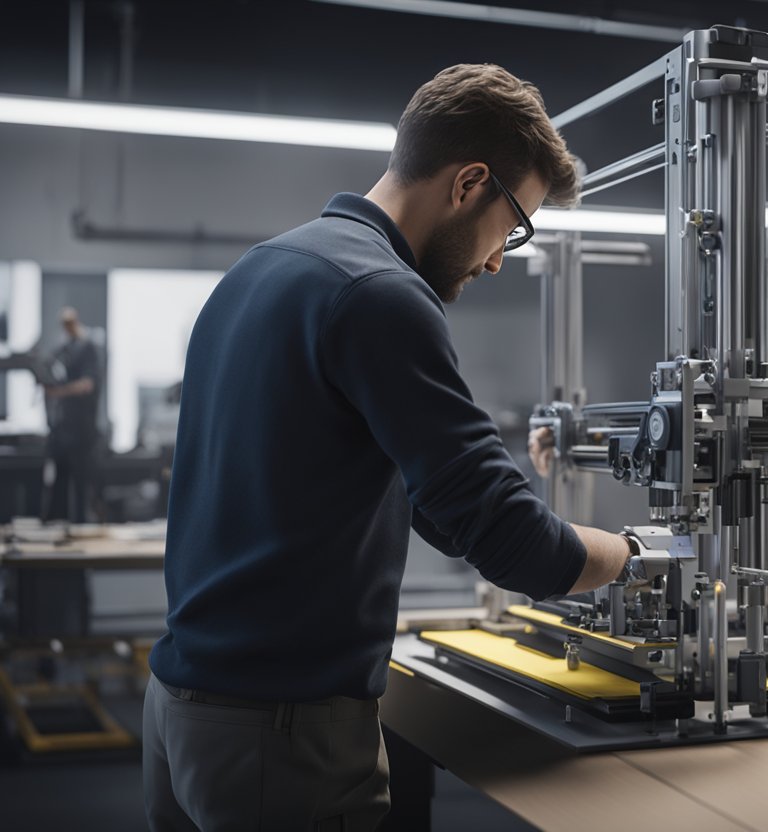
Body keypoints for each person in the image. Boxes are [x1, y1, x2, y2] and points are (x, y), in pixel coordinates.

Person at [143, 64, 632, 831]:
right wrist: (637, 552)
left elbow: (419, 493)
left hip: (181, 711)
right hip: (283, 736)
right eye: (514, 227)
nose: (500, 259)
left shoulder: (264, 268)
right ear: (470, 182)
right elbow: (515, 545)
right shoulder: (379, 294)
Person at [42, 306, 102, 523]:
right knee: (59, 480)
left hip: (82, 431)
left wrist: (59, 392)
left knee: (81, 486)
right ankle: (57, 522)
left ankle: (82, 525)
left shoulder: (88, 348)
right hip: (63, 430)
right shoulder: (64, 349)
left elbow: (87, 384)